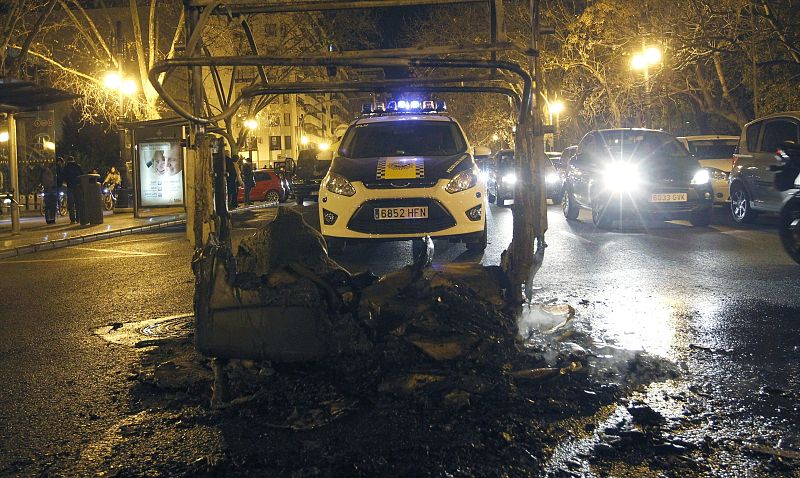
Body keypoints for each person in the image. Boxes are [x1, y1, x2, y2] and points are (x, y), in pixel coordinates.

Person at [62, 156, 83, 224]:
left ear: (67, 161)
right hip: (77, 186)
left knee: (71, 204)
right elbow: (82, 175)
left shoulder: (66, 168)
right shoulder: (78, 166)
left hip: (70, 187)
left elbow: (64, 177)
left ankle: (72, 219)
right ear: (73, 160)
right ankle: (78, 219)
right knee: (78, 203)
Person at [40, 160, 58, 224]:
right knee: (52, 205)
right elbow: (51, 180)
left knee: (48, 206)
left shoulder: (44, 172)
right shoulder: (48, 172)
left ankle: (49, 219)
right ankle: (51, 219)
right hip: (51, 190)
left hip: (47, 189)